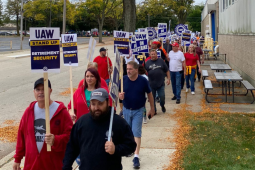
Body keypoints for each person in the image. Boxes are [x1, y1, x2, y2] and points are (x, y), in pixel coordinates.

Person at [62, 88, 137, 170]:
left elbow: (131, 146)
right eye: (93, 104)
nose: (96, 107)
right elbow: (72, 147)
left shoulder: (118, 122)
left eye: (100, 104)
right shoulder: (81, 122)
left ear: (108, 103)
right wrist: (66, 166)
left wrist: (116, 149)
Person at [13, 78, 73, 170]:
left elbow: (71, 136)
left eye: (44, 89)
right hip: (32, 165)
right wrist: (17, 159)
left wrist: (55, 140)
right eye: (38, 90)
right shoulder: (29, 112)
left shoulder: (61, 112)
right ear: (34, 92)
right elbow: (21, 136)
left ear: (50, 91)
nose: (41, 92)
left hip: (53, 165)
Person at [119, 61, 155, 169]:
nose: (128, 71)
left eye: (130, 69)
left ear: (136, 70)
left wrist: (152, 108)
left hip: (138, 110)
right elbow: (117, 93)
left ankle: (136, 156)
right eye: (127, 69)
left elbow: (149, 94)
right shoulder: (124, 79)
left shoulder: (143, 80)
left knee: (136, 132)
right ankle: (130, 149)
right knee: (129, 132)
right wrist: (119, 96)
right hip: (126, 110)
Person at [145, 49, 170, 114]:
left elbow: (167, 70)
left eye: (154, 54)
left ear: (156, 54)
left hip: (160, 83)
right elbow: (144, 73)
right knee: (152, 99)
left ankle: (162, 105)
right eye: (152, 54)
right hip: (151, 84)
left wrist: (168, 79)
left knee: (162, 97)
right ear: (150, 55)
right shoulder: (147, 63)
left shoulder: (161, 61)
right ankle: (154, 110)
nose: (153, 55)